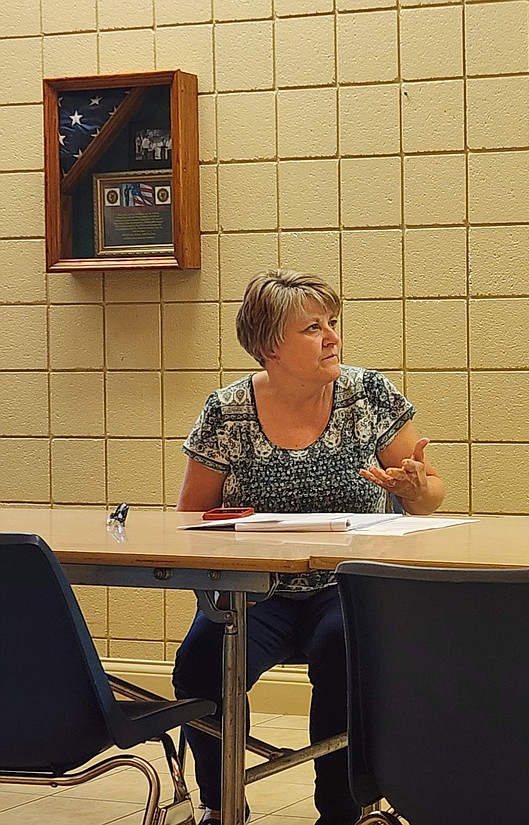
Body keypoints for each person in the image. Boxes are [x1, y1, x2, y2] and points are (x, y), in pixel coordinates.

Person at [172, 269, 445, 825]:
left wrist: (417, 491)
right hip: (255, 591)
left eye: (333, 324)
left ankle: (340, 811)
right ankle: (221, 803)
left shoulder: (366, 394)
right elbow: (191, 517)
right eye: (312, 328)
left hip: (345, 587)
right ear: (270, 345)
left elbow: (430, 495)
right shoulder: (227, 411)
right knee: (199, 661)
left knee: (345, 648)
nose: (332, 338)